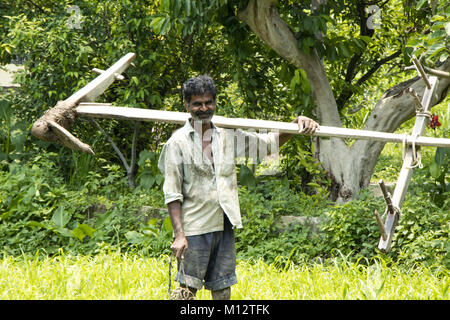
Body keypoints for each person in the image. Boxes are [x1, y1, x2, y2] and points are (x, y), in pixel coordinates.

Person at [158, 75, 319, 300]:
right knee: (186, 291)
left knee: (222, 288)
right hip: (194, 228)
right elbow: (173, 193)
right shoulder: (177, 143)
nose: (203, 108)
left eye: (208, 102)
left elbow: (266, 146)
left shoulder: (227, 136)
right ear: (186, 105)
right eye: (197, 104)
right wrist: (179, 235)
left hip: (224, 223)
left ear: (215, 102)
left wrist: (296, 124)